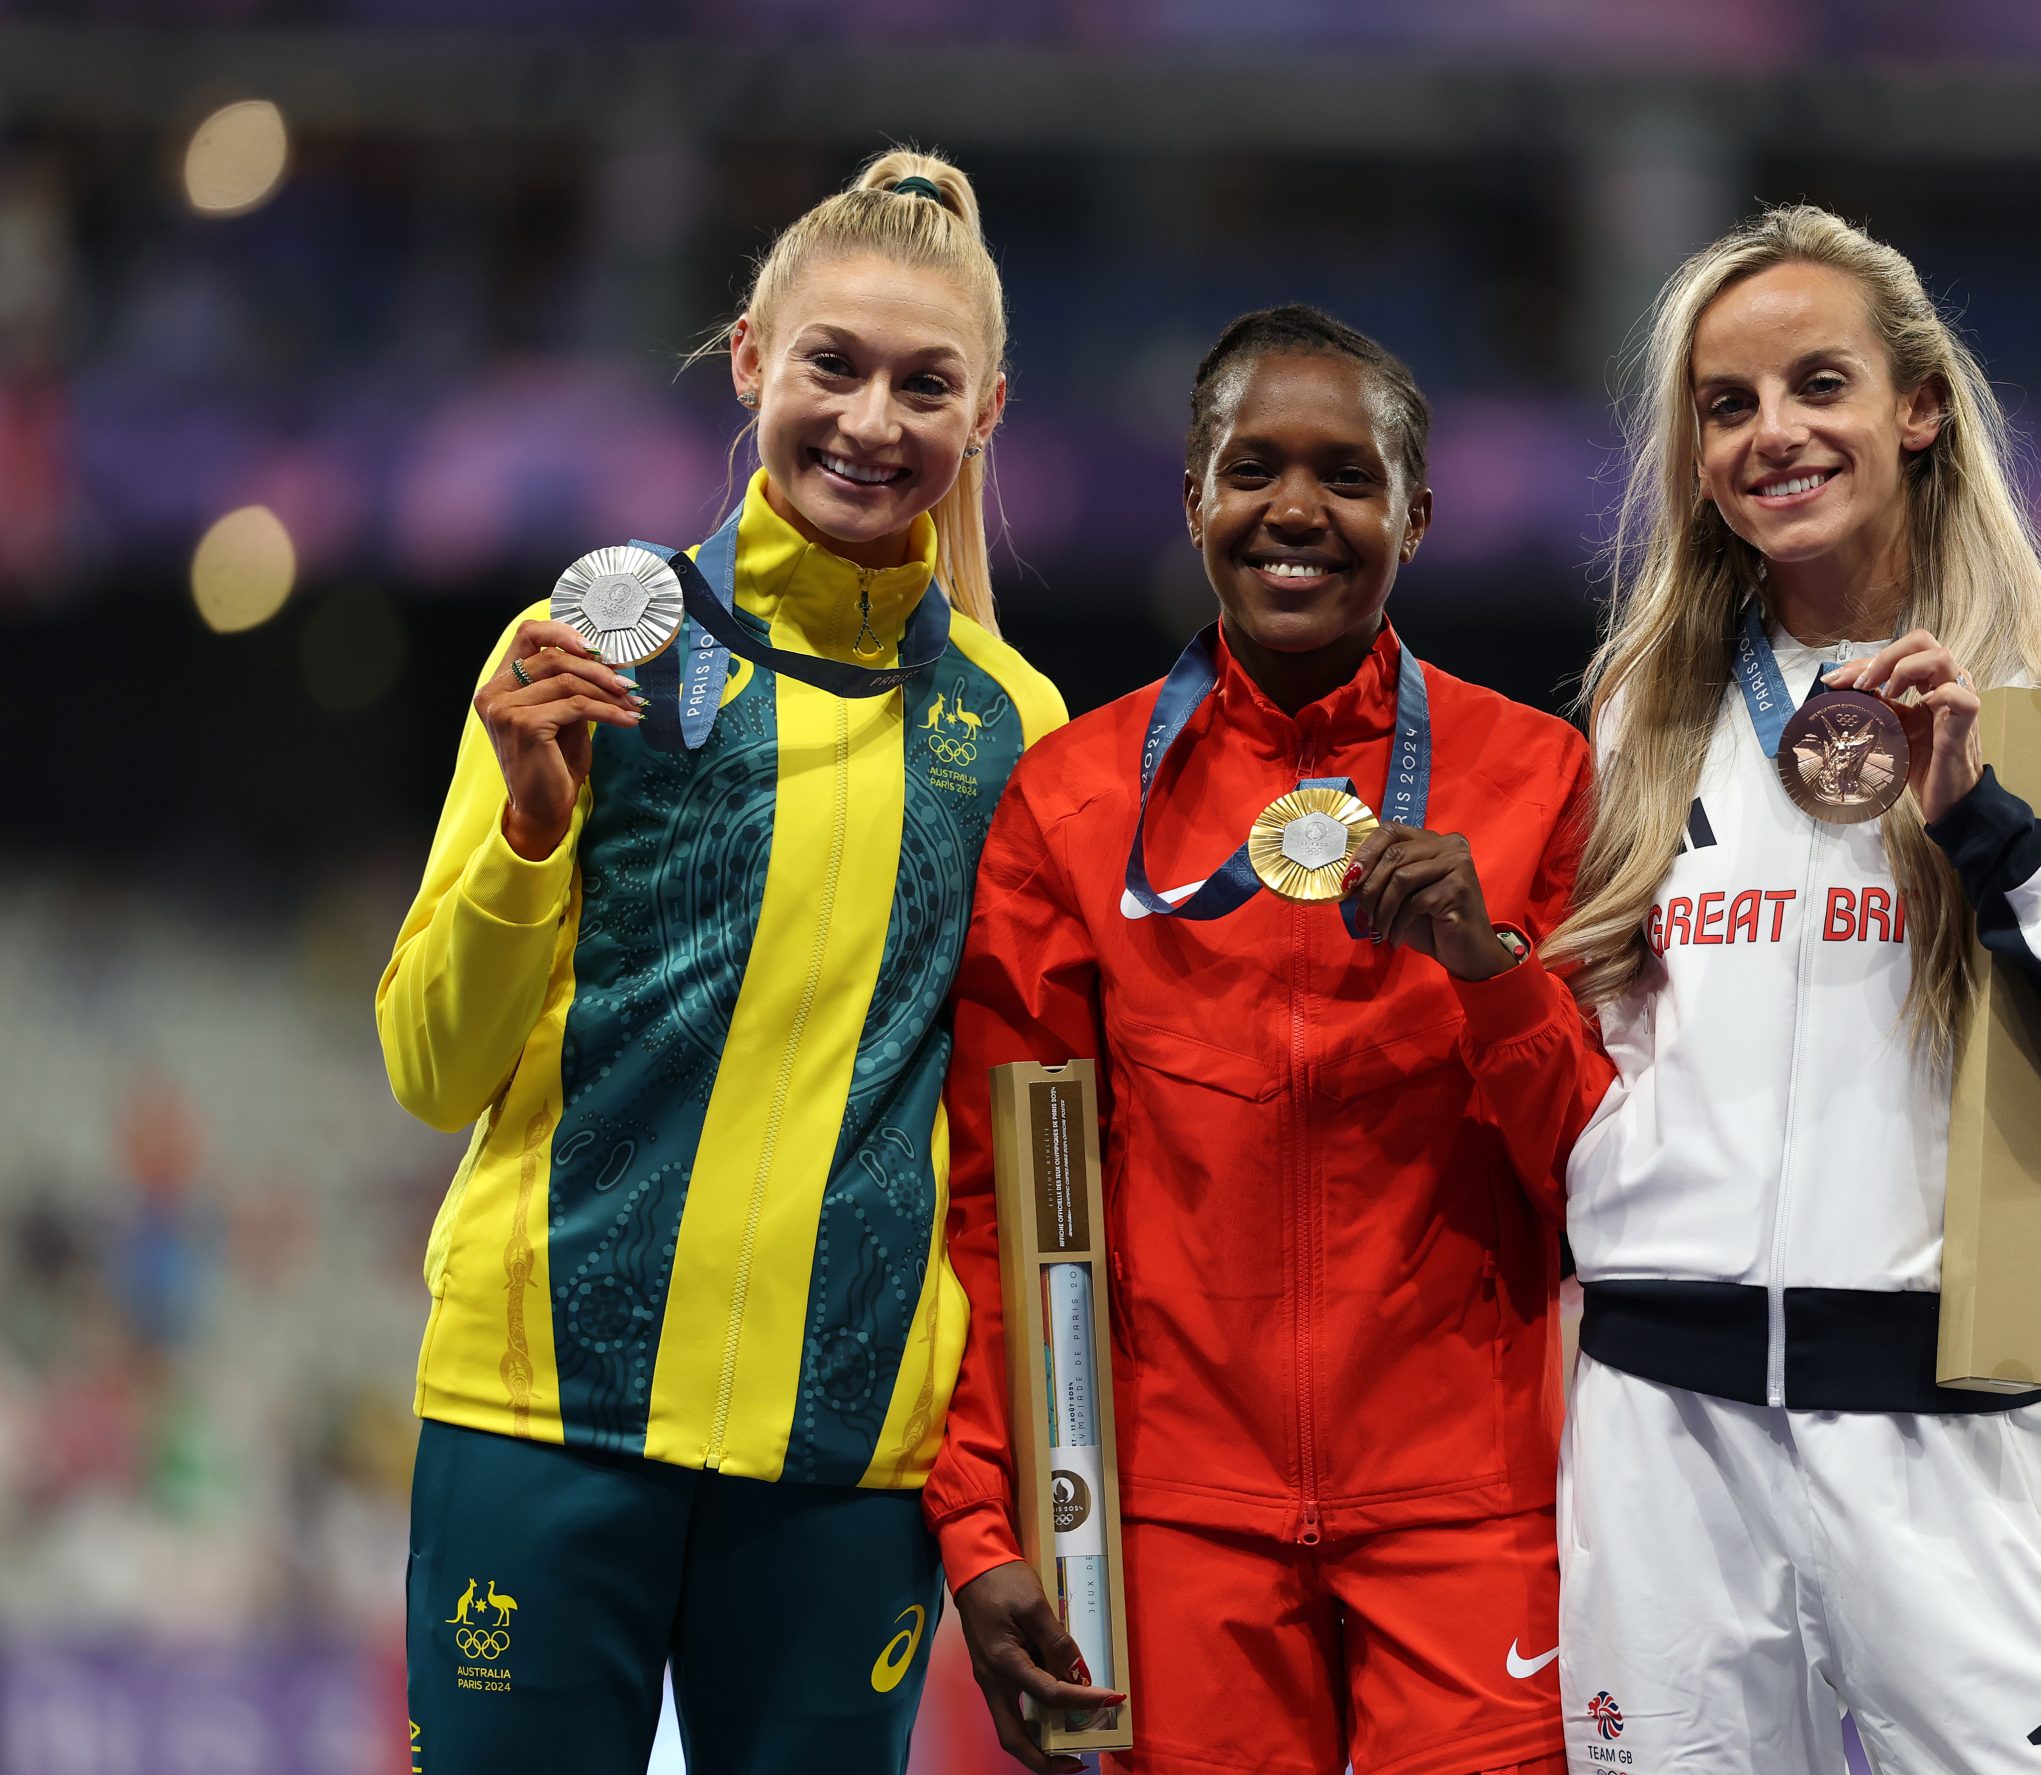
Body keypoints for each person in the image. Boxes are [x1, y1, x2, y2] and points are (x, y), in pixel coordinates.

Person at [1539, 206, 2041, 1772]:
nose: (1774, 435)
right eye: (1726, 405)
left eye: (1820, 383)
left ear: (1919, 405)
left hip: (1955, 1446)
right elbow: (1601, 1062)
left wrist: (2004, 840)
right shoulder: (1643, 707)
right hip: (1662, 1447)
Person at [375, 148, 1066, 1775]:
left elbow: (998, 1140)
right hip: (544, 1423)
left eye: (926, 385)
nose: (872, 420)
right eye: (833, 364)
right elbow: (427, 1070)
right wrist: (532, 839)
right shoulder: (583, 656)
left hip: (843, 1467)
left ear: (987, 416)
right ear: (751, 356)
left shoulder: (1012, 730)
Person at [925, 306, 1599, 1775]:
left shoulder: (1541, 782)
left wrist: (1494, 979)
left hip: (1470, 1518)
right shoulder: (1073, 801)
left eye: (1347, 476)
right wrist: (987, 1529)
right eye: (1254, 468)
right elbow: (997, 1203)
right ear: (1194, 498)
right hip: (1177, 1525)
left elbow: (1607, 1182)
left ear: (1415, 516)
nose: (1296, 509)